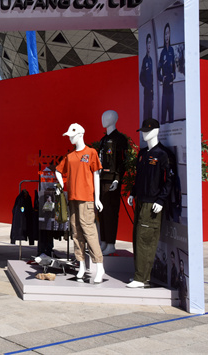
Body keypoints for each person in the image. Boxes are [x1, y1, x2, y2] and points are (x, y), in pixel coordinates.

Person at [55, 123, 105, 284]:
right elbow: (58, 170)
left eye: (72, 135)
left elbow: (96, 175)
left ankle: (99, 266)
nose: (70, 138)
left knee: (89, 231)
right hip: (73, 199)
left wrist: (97, 198)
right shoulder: (69, 156)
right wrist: (61, 185)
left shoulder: (91, 153)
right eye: (69, 136)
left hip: (87, 199)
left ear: (80, 134)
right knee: (76, 232)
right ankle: (81, 264)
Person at [127, 118, 172, 289]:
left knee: (145, 240)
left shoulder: (163, 154)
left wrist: (161, 200)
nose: (144, 134)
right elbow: (138, 177)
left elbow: (169, 180)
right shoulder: (142, 154)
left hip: (152, 204)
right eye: (143, 131)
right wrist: (133, 192)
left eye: (147, 131)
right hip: (140, 201)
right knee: (137, 238)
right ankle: (139, 275)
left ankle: (142, 278)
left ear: (156, 131)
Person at [97, 110, 128, 256]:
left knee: (110, 212)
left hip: (111, 181)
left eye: (106, 117)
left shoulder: (120, 139)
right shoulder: (103, 140)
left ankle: (110, 244)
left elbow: (122, 161)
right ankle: (103, 241)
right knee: (102, 212)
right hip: (101, 179)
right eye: (103, 116)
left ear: (114, 119)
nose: (103, 119)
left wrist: (117, 178)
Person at [157, 23, 176, 124]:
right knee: (163, 115)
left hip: (171, 89)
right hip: (165, 90)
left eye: (168, 33)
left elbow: (174, 67)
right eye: (165, 34)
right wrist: (162, 78)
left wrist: (174, 75)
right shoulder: (162, 53)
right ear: (164, 36)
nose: (167, 36)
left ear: (170, 34)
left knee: (171, 115)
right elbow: (158, 70)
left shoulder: (172, 50)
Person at [140, 33, 154, 120]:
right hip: (146, 94)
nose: (149, 45)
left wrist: (153, 98)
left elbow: (152, 80)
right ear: (146, 45)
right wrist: (146, 86)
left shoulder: (151, 60)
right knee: (146, 117)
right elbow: (141, 77)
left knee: (150, 117)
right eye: (148, 43)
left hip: (151, 95)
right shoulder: (144, 60)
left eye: (150, 43)